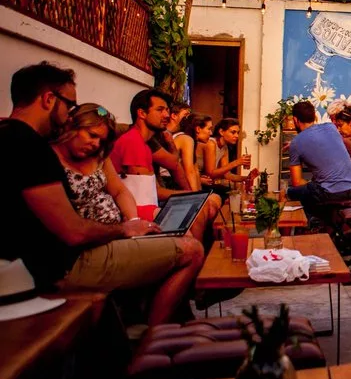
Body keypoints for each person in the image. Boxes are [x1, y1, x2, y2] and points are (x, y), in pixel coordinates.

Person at [0, 63, 202, 325]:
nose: (68, 115)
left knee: (169, 239)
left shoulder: (11, 138)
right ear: (49, 99)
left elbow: (115, 192)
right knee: (191, 250)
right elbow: (74, 232)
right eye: (69, 105)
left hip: (52, 260)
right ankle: (154, 342)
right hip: (62, 266)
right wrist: (124, 230)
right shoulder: (30, 147)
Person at [110, 88, 220, 244]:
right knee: (196, 216)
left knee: (201, 205)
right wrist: (189, 196)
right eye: (160, 110)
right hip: (136, 212)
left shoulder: (145, 143)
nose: (167, 115)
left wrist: (191, 196)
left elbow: (156, 184)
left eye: (167, 110)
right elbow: (141, 198)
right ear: (142, 113)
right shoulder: (132, 142)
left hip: (148, 205)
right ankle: (201, 259)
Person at [53, 103, 136, 225]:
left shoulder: (98, 156)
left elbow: (119, 191)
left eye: (101, 141)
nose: (96, 144)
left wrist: (133, 221)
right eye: (92, 135)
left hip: (120, 230)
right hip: (92, 236)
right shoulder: (50, 159)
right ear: (72, 126)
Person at [284, 100, 351, 216]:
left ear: (295, 120)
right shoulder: (331, 128)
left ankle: (304, 226)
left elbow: (297, 182)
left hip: (333, 194)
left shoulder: (297, 143)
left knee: (288, 192)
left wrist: (295, 144)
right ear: (315, 116)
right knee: (313, 189)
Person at [174, 112, 213, 191]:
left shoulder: (192, 141)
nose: (211, 133)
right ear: (198, 129)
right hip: (169, 182)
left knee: (214, 199)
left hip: (177, 181)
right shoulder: (186, 139)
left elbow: (195, 171)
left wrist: (200, 195)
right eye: (209, 129)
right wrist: (196, 198)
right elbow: (189, 172)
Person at [208, 118, 251, 186]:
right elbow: (211, 173)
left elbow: (227, 175)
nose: (237, 136)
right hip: (200, 181)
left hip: (209, 182)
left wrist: (247, 178)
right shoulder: (211, 143)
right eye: (233, 132)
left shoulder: (224, 147)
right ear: (221, 132)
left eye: (237, 133)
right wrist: (236, 162)